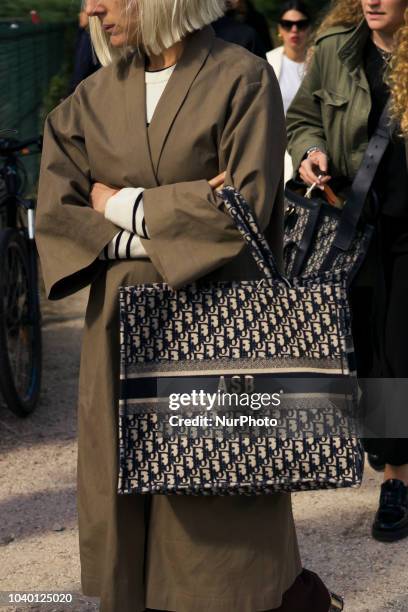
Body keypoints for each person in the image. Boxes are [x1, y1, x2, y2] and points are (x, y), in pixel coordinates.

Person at [36, 0, 339, 610]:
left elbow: (245, 206)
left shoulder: (243, 78)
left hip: (215, 323)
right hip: (118, 333)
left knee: (219, 499)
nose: (91, 8)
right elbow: (57, 211)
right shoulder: (89, 98)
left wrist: (119, 204)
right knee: (129, 501)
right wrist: (169, 215)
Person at [287, 0, 408, 543]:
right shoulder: (336, 49)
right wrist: (310, 148)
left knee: (395, 350)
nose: (373, 1)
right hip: (352, 226)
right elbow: (302, 117)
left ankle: (395, 478)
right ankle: (387, 440)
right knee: (358, 345)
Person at [267, 1, 312, 183]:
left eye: (300, 25)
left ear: (309, 28)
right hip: (276, 151)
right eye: (288, 24)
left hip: (310, 149)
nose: (294, 30)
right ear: (280, 29)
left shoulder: (319, 62)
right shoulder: (268, 61)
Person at [70, 11, 101, 92]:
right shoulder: (86, 34)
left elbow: (81, 66)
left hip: (88, 90)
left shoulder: (88, 37)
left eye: (82, 11)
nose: (80, 14)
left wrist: (71, 92)